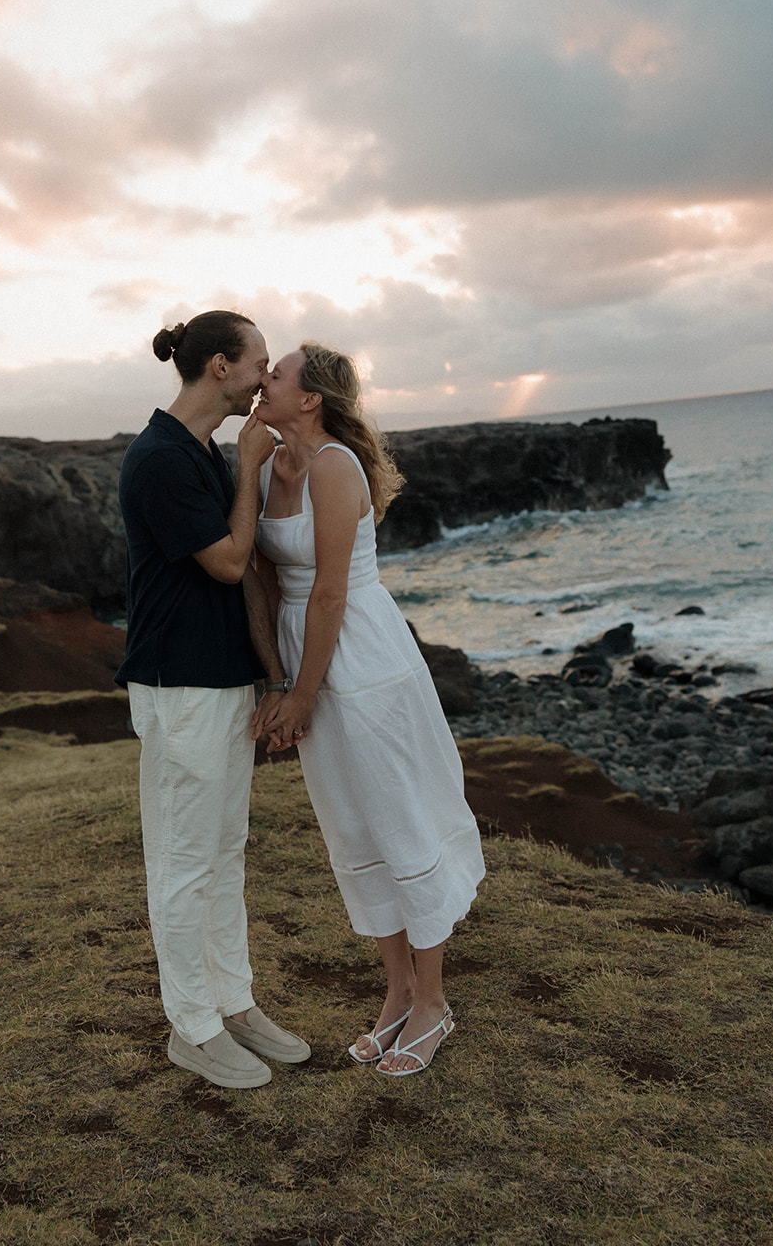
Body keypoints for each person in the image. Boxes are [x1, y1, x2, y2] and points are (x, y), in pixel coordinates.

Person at [253, 342, 485, 1077]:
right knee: (352, 826)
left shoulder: (333, 466)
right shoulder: (269, 464)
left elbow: (326, 591)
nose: (263, 380)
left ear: (311, 398)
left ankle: (433, 1003)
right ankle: (395, 992)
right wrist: (275, 680)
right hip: (305, 651)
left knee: (397, 814)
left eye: (277, 374)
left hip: (358, 654)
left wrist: (302, 694)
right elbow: (260, 577)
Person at [115, 309, 310, 1089]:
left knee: (224, 856)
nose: (268, 380)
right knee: (183, 862)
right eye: (259, 363)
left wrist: (269, 677)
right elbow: (231, 562)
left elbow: (245, 579)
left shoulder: (195, 451)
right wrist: (246, 466)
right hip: (179, 684)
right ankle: (190, 1026)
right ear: (221, 367)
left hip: (223, 680)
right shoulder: (160, 458)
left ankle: (233, 1003)